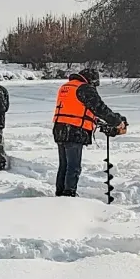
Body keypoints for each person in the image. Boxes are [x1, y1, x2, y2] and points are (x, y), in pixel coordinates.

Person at [51, 67, 128, 197]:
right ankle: (69, 194)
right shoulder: (84, 88)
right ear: (91, 80)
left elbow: (76, 109)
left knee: (64, 165)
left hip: (60, 129)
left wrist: (95, 121)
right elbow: (99, 108)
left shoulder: (67, 87)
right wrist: (117, 122)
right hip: (74, 131)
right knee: (73, 167)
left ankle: (60, 192)